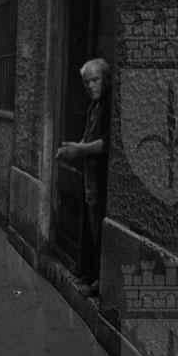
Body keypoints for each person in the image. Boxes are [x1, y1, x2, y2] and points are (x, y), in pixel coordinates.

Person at [56, 58, 112, 297]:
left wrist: (79, 149)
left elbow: (107, 143)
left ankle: (99, 282)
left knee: (99, 228)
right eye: (87, 82)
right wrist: (73, 147)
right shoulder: (94, 105)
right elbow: (89, 138)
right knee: (91, 226)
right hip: (90, 177)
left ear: (105, 79)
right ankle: (91, 273)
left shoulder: (109, 104)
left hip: (101, 179)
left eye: (95, 80)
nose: (90, 86)